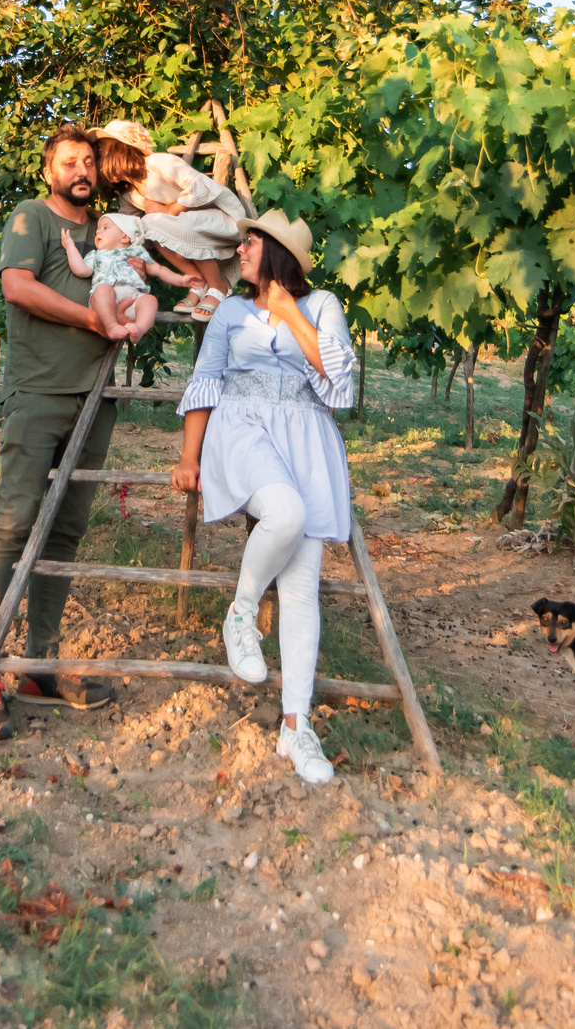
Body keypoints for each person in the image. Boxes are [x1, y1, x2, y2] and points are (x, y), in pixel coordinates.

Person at [168, 210, 358, 785]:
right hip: (244, 426)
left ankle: (296, 728)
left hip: (306, 433)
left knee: (302, 591)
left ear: (276, 253)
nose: (240, 249)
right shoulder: (228, 309)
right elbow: (206, 381)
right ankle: (241, 613)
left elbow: (340, 384)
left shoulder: (321, 304)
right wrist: (188, 457)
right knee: (287, 512)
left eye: (250, 242)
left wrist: (288, 314)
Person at [0, 125, 122, 739]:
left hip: (97, 398)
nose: (82, 170)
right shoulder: (31, 217)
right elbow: (18, 287)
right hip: (38, 394)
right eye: (69, 162)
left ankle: (40, 665)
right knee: (14, 523)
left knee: (65, 530)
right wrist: (91, 316)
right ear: (49, 171)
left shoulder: (113, 227)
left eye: (89, 161)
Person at [90, 120, 248, 315]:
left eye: (100, 158)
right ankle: (198, 282)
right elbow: (127, 228)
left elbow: (198, 185)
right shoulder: (130, 195)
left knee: (152, 221)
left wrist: (168, 211)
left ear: (119, 151)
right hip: (192, 228)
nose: (97, 165)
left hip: (223, 220)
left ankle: (218, 286)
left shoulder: (157, 163)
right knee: (148, 228)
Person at [61, 212, 195, 341]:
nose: (98, 231)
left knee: (150, 300)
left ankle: (139, 329)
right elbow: (81, 270)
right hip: (106, 302)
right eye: (98, 228)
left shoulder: (137, 252)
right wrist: (70, 248)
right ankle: (111, 326)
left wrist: (181, 280)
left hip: (133, 298)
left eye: (105, 228)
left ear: (124, 237)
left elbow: (158, 270)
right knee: (102, 289)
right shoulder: (96, 255)